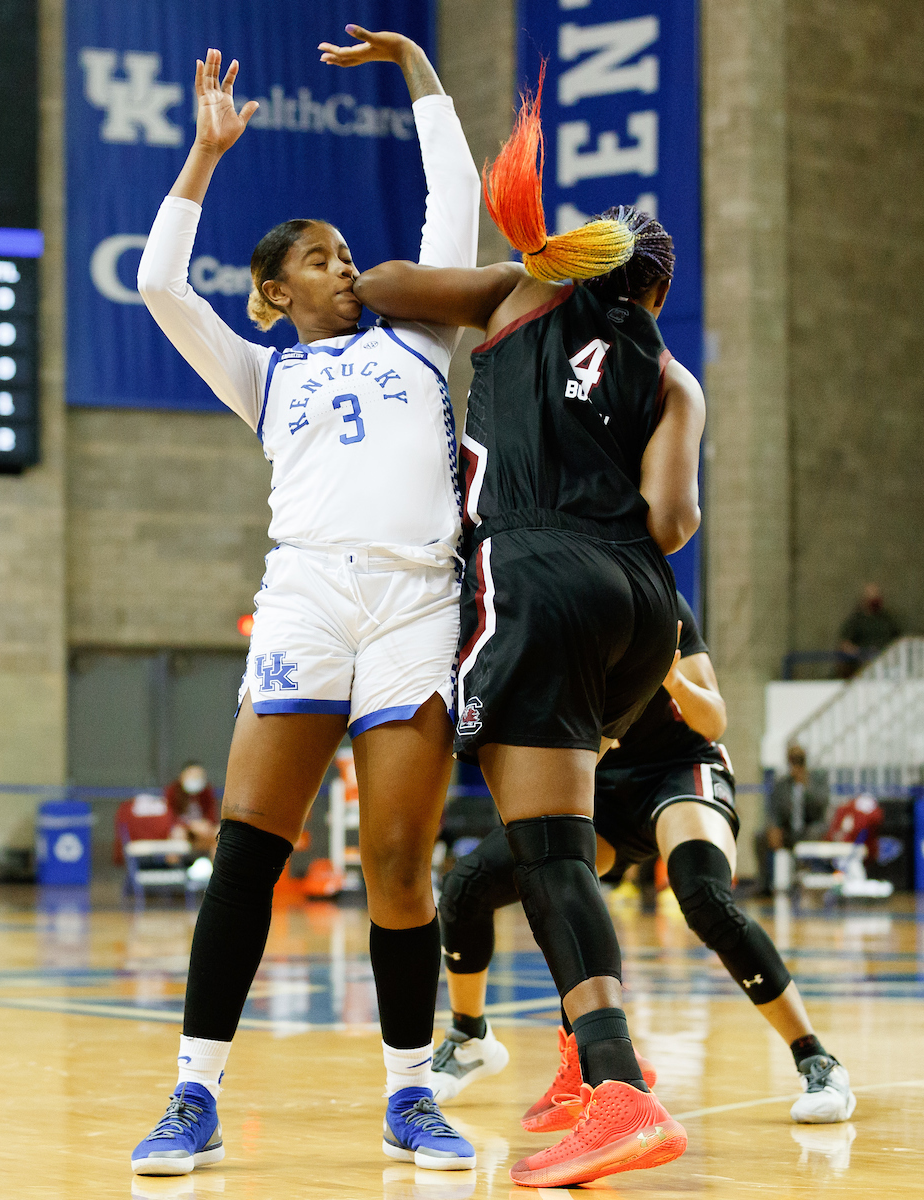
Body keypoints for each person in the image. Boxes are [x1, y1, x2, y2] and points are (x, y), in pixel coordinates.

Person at [130, 27, 480, 1176]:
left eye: (347, 254)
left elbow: (456, 198)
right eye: (321, 260)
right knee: (249, 849)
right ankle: (194, 1093)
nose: (345, 267)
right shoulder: (261, 368)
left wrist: (419, 68)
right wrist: (206, 155)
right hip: (308, 598)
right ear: (276, 293)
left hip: (416, 604)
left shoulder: (419, 338)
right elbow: (158, 284)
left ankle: (411, 1094)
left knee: (398, 862)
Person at [354, 82, 702, 1185]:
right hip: (643, 604)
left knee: (551, 854)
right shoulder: (675, 376)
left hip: (537, 573)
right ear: (654, 291)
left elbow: (383, 285)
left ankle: (620, 1091)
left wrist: (509, 276)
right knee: (561, 848)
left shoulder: (523, 291)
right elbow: (674, 521)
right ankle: (590, 1070)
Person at [429, 593, 856, 1127]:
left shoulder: (658, 602)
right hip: (599, 779)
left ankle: (817, 1059)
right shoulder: (544, 606)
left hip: (679, 767)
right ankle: (470, 1036)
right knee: (468, 886)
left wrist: (673, 680)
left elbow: (713, 720)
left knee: (702, 895)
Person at [755, 745, 830, 894]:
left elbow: (821, 806)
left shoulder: (817, 780)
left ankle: (804, 880)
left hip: (809, 828)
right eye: (793, 761)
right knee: (760, 837)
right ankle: (765, 885)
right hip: (788, 830)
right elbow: (774, 810)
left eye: (799, 761)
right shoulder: (782, 784)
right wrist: (774, 826)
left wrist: (805, 785)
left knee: (814, 833)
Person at [837, 582, 902, 676]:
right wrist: (860, 653)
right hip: (864, 666)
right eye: (872, 598)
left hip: (887, 665)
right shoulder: (856, 620)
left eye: (877, 598)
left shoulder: (887, 619)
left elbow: (898, 641)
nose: (875, 602)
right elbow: (845, 645)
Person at [164, 762, 219, 859]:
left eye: (198, 776)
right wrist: (190, 825)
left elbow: (212, 818)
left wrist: (206, 825)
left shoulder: (207, 791)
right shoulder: (173, 791)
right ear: (182, 776)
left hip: (203, 831)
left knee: (219, 833)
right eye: (192, 776)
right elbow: (170, 819)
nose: (195, 779)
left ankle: (216, 865)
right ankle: (175, 866)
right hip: (183, 829)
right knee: (177, 834)